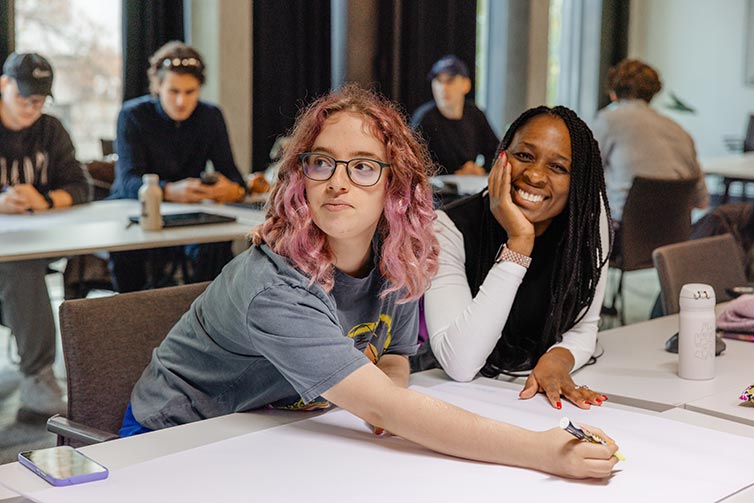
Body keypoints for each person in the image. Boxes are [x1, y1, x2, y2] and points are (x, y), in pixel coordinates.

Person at [120, 86, 619, 479]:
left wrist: (385, 398)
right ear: (302, 178)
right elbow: (387, 402)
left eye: (362, 166)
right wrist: (539, 450)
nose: (338, 181)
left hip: (275, 431)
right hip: (175, 444)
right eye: (322, 163)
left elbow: (396, 357)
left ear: (394, 185)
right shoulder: (275, 286)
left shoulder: (396, 261)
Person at [418, 105, 613, 411]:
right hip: (461, 400)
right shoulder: (448, 227)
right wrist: (519, 243)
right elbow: (460, 364)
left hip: (529, 404)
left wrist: (558, 359)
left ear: (577, 182)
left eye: (558, 167)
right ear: (501, 157)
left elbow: (585, 326)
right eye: (524, 155)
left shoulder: (586, 227)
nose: (534, 175)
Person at [108, 41, 246, 292]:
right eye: (173, 91)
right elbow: (128, 182)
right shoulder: (132, 115)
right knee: (127, 252)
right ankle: (133, 322)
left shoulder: (210, 116)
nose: (182, 101)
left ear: (200, 89)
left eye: (190, 92)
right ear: (157, 87)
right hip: (138, 212)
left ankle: (206, 315)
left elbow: (234, 176)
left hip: (190, 213)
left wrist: (230, 189)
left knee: (216, 245)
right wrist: (169, 191)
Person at [0, 52, 91, 418]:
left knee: (22, 263)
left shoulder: (50, 129)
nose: (31, 107)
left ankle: (38, 372)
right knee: (18, 266)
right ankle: (37, 372)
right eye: (24, 97)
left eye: (39, 100)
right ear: (4, 85)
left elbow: (81, 186)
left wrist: (45, 199)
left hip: (37, 241)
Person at [592, 58, 708, 222]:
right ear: (652, 93)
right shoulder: (678, 130)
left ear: (613, 93)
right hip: (675, 233)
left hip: (621, 230)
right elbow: (701, 200)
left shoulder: (608, 121)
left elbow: (584, 174)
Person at [411, 55, 498, 176]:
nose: (443, 88)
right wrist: (455, 173)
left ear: (466, 84)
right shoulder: (424, 118)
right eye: (438, 81)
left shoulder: (475, 114)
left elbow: (496, 151)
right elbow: (411, 163)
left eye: (450, 81)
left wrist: (481, 169)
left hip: (469, 186)